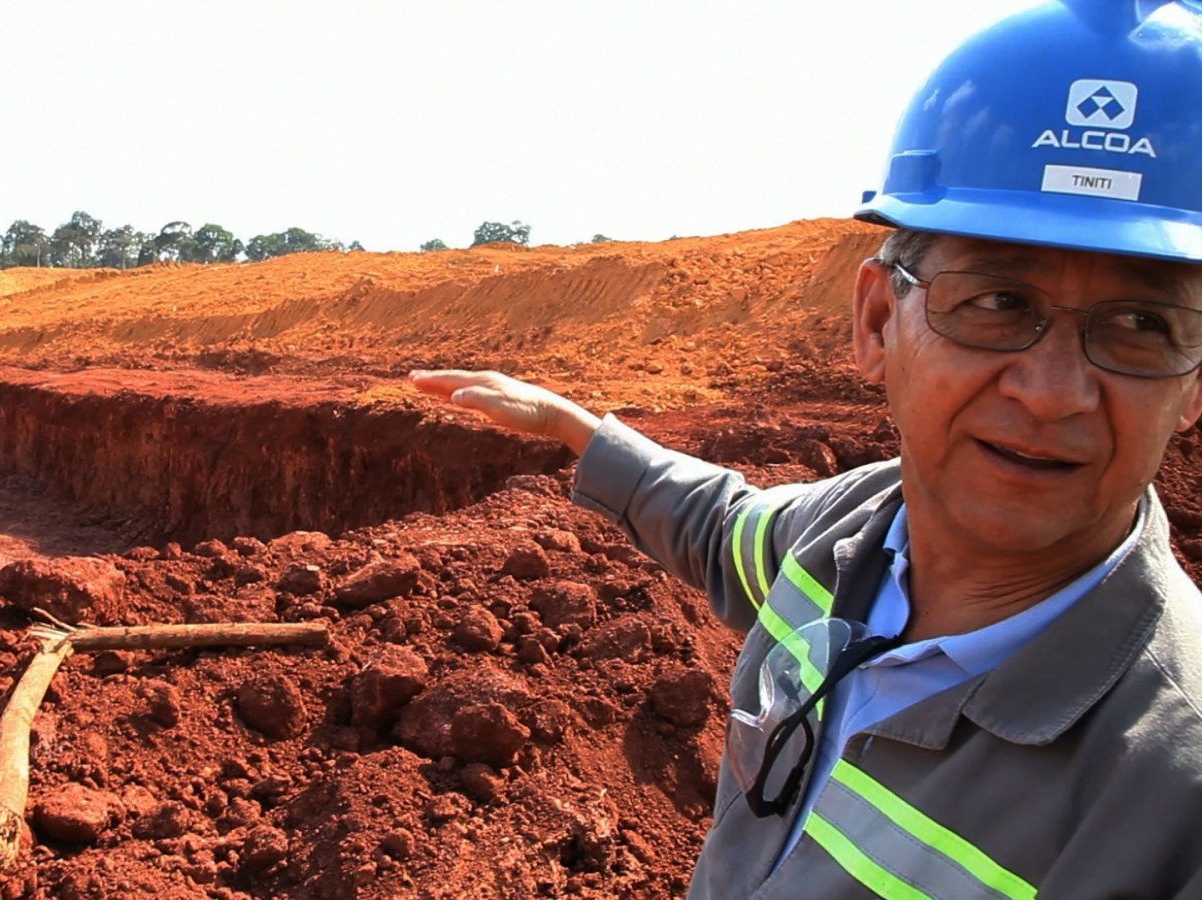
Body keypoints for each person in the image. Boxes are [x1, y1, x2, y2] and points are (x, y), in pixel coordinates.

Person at [411, 1, 1202, 897]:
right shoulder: (846, 537)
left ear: (1196, 379)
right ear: (876, 322)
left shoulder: (1172, 796)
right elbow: (722, 525)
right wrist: (578, 430)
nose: (1051, 390)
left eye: (1142, 323)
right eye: (997, 303)